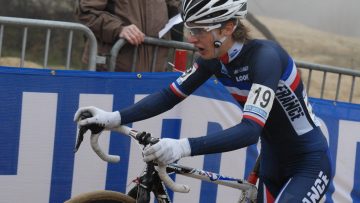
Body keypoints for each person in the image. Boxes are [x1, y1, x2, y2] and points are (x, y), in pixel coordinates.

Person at [74, 0, 332, 202]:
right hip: (271, 160)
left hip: (307, 164)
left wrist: (182, 146)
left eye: (199, 30)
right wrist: (114, 117)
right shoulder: (213, 59)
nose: (191, 38)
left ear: (228, 27)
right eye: (189, 28)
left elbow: (250, 131)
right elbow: (169, 96)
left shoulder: (265, 57)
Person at [75, 0, 181, 72]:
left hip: (154, 73)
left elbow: (176, 11)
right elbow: (86, 12)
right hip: (111, 71)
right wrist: (119, 29)